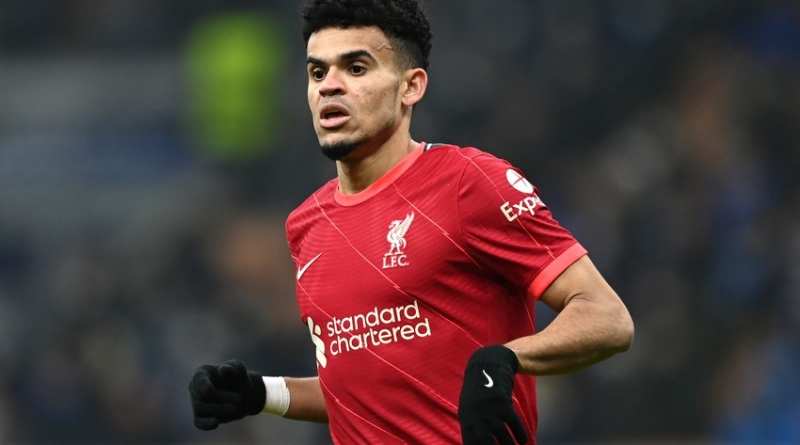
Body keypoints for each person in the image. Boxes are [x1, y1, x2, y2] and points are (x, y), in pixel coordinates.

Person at [188, 0, 635, 443]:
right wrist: (262, 393)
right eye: (318, 72)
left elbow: (608, 318)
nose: (329, 86)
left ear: (411, 87)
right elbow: (368, 390)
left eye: (356, 68)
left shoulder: (467, 182)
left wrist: (505, 359)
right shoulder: (307, 224)